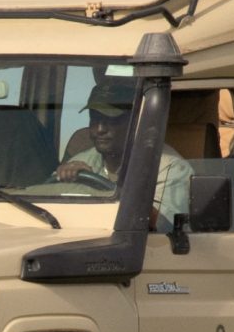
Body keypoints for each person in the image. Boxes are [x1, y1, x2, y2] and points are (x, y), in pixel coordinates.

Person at [53, 76, 194, 230]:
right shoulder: (81, 161)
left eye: (111, 120)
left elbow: (167, 230)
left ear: (134, 121)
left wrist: (107, 192)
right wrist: (63, 178)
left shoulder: (169, 168)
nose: (100, 129)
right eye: (95, 119)